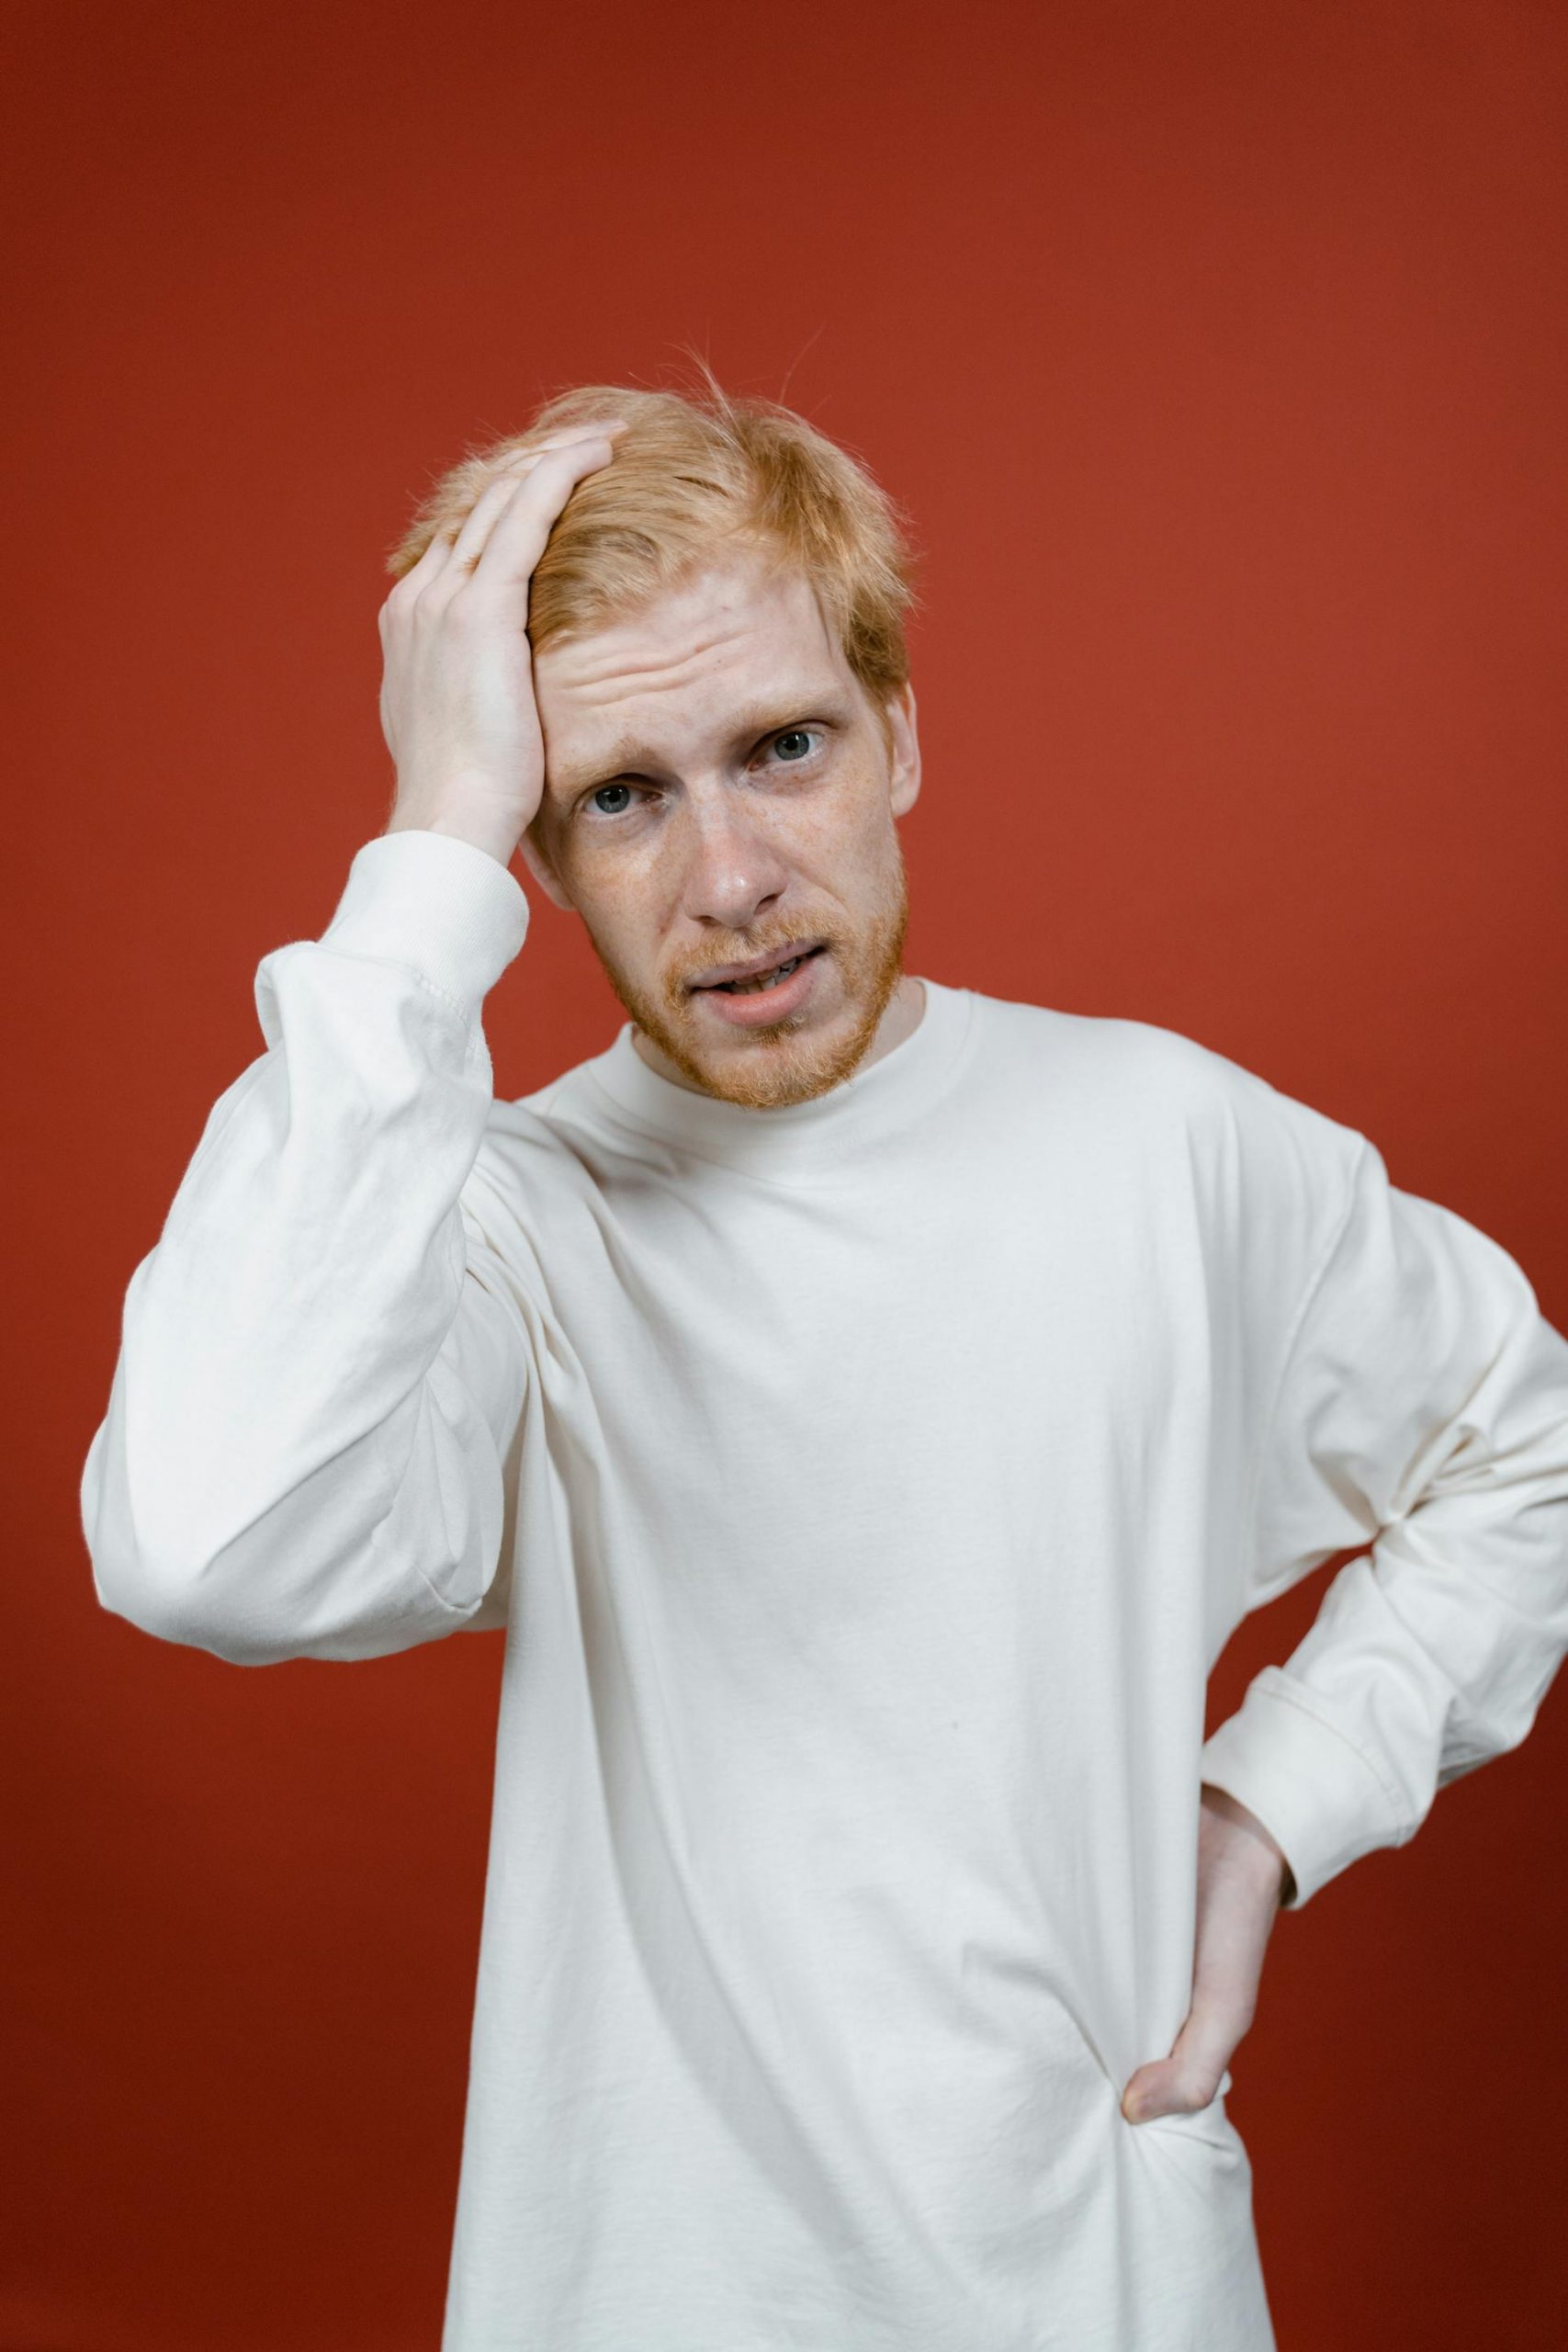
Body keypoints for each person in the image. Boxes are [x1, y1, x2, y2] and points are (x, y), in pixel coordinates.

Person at [81, 379, 1568, 2351]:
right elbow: (205, 1539)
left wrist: (1273, 1800)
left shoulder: (1166, 1143)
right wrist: (421, 852)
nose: (729, 879)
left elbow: (1523, 1440)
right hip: (633, 2297)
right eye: (619, 793)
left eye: (781, 747)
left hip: (1105, 2280)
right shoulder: (490, 1227)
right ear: (535, 847)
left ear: (901, 738)